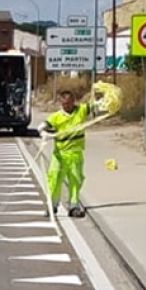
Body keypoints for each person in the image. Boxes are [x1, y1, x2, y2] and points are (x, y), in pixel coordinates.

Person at [45, 88, 91, 218]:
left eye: (70, 103)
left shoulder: (80, 111)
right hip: (59, 154)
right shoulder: (56, 117)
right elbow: (46, 124)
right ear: (61, 103)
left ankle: (74, 206)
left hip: (75, 154)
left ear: (73, 102)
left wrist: (106, 102)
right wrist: (43, 131)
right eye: (64, 104)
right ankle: (52, 205)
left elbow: (95, 108)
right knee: (54, 178)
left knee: (75, 179)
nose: (67, 106)